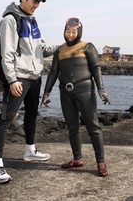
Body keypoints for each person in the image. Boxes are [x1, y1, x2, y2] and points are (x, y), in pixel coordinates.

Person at [0, 0, 59, 184]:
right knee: (5, 119)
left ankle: (30, 150)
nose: (36, 5)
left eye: (38, 2)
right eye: (33, 1)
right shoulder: (10, 20)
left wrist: (63, 46)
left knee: (31, 115)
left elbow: (42, 49)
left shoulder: (32, 21)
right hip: (19, 77)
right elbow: (7, 53)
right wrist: (12, 80)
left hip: (34, 76)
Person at [40, 17, 111, 177]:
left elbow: (95, 68)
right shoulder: (60, 50)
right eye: (67, 31)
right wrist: (46, 92)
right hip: (66, 93)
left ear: (79, 32)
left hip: (84, 92)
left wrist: (101, 89)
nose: (70, 34)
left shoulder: (87, 47)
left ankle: (101, 162)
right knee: (72, 127)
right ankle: (77, 158)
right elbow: (53, 72)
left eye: (73, 31)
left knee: (93, 126)